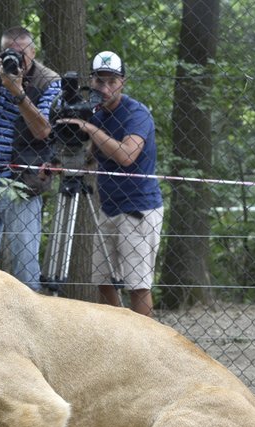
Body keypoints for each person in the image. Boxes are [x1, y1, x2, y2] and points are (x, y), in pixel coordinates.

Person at [58, 51, 164, 317]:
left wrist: (89, 128)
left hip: (138, 210)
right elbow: (94, 155)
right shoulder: (96, 113)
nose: (104, 88)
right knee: (103, 281)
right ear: (90, 81)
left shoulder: (136, 113)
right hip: (108, 207)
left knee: (137, 285)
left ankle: (144, 343)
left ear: (122, 82)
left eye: (111, 82)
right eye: (98, 81)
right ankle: (118, 336)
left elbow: (127, 155)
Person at [0, 26, 60, 290]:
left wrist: (18, 93)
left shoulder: (48, 81)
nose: (15, 59)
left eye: (21, 54)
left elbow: (43, 131)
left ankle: (29, 321)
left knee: (25, 261)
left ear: (33, 52)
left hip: (22, 181)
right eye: (9, 53)